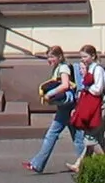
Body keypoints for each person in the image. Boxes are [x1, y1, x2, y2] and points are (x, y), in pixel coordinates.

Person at [26, 45, 87, 174]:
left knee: (52, 134)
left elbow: (65, 85)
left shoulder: (63, 68)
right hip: (68, 106)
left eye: (52, 57)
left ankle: (37, 164)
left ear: (59, 57)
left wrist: (49, 94)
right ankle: (85, 164)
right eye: (48, 57)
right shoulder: (58, 67)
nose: (49, 59)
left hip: (67, 106)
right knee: (77, 136)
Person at [70, 44, 105, 162]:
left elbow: (98, 89)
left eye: (85, 57)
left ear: (92, 56)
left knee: (90, 137)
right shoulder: (90, 68)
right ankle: (82, 164)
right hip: (94, 106)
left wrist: (86, 90)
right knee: (102, 135)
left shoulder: (98, 69)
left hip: (101, 106)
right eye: (81, 57)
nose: (82, 59)